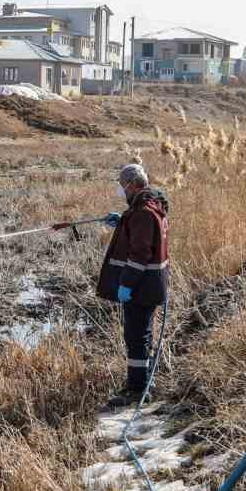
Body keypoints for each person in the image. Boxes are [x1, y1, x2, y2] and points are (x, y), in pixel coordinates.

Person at [97, 163, 170, 407]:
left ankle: (137, 390)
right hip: (149, 286)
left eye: (122, 186)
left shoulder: (143, 213)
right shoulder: (148, 207)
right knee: (142, 335)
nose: (121, 191)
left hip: (142, 287)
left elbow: (140, 254)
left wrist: (126, 284)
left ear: (133, 185)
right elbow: (142, 235)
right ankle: (142, 382)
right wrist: (124, 222)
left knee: (136, 336)